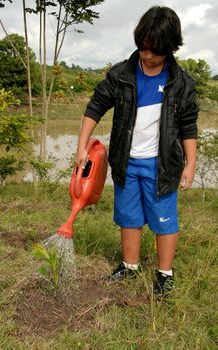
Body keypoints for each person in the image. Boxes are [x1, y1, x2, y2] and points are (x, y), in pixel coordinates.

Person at [75, 6, 199, 297]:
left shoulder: (181, 83)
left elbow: (188, 126)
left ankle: (164, 274)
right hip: (126, 163)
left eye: (154, 50)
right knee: (129, 216)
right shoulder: (121, 74)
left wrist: (190, 164)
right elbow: (94, 107)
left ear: (169, 47)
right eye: (143, 48)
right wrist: (82, 146)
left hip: (162, 165)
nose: (147, 55)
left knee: (163, 218)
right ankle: (129, 266)